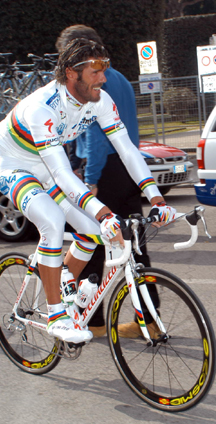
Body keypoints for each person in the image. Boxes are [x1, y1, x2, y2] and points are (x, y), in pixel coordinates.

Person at [0, 38, 176, 344]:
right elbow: (62, 172)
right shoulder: (42, 108)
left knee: (92, 232)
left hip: (48, 166)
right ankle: (56, 316)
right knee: (52, 219)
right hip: (15, 165)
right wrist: (104, 212)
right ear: (71, 73)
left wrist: (156, 197)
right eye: (95, 71)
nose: (103, 78)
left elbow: (128, 150)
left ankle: (64, 275)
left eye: (104, 69)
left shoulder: (99, 100)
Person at [56, 25, 157, 339]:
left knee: (91, 248)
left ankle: (93, 321)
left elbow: (96, 139)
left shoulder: (88, 82)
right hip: (126, 168)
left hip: (103, 171)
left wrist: (90, 180)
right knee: (135, 247)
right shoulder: (122, 79)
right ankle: (150, 322)